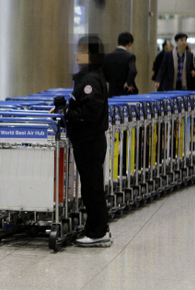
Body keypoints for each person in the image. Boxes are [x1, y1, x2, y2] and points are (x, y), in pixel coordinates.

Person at [52, 35, 111, 247]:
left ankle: (98, 232)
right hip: (88, 141)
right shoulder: (89, 77)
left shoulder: (91, 80)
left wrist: (68, 113)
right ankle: (97, 228)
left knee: (92, 187)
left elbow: (90, 112)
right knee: (90, 186)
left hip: (90, 141)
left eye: (82, 51)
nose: (77, 55)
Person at [102, 32, 137, 97]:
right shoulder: (130, 56)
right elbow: (133, 71)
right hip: (126, 91)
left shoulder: (107, 56)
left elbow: (104, 73)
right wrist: (128, 83)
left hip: (112, 91)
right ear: (129, 43)